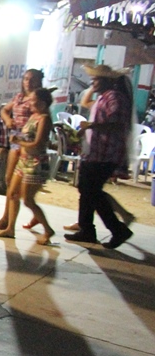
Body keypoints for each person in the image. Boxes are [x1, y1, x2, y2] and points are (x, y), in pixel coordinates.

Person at [65, 64, 134, 248]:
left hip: (106, 154)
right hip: (95, 153)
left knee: (92, 192)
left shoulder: (115, 98)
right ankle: (87, 229)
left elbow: (117, 124)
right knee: (87, 190)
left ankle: (116, 229)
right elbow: (87, 104)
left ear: (107, 81)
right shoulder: (104, 97)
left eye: (96, 80)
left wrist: (92, 126)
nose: (92, 83)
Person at [0, 89, 56, 245]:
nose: (29, 103)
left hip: (35, 163)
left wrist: (19, 142)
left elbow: (38, 143)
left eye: (33, 101)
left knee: (28, 200)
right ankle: (10, 228)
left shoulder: (44, 119)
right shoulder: (34, 116)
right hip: (23, 160)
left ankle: (47, 229)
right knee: (12, 193)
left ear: (42, 103)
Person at [0, 70, 44, 224]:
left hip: (27, 145)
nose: (28, 82)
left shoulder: (37, 100)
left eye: (32, 79)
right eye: (26, 79)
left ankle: (12, 220)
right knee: (9, 181)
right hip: (15, 142)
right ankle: (7, 218)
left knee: (21, 189)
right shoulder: (19, 97)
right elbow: (4, 110)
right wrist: (7, 120)